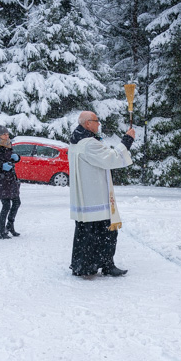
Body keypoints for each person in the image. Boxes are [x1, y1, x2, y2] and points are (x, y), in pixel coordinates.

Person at [68, 111, 135, 277]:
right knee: (106, 233)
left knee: (86, 233)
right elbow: (110, 158)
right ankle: (104, 265)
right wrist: (127, 141)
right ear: (87, 123)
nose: (99, 124)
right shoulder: (88, 143)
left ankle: (83, 265)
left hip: (86, 196)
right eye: (96, 121)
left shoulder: (77, 141)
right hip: (95, 196)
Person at [0, 125, 22, 239]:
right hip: (0, 180)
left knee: (17, 202)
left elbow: (9, 159)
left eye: (7, 134)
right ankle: (1, 231)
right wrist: (1, 166)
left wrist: (17, 158)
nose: (7, 136)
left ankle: (10, 226)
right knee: (6, 205)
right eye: (4, 134)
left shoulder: (8, 145)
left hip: (11, 178)